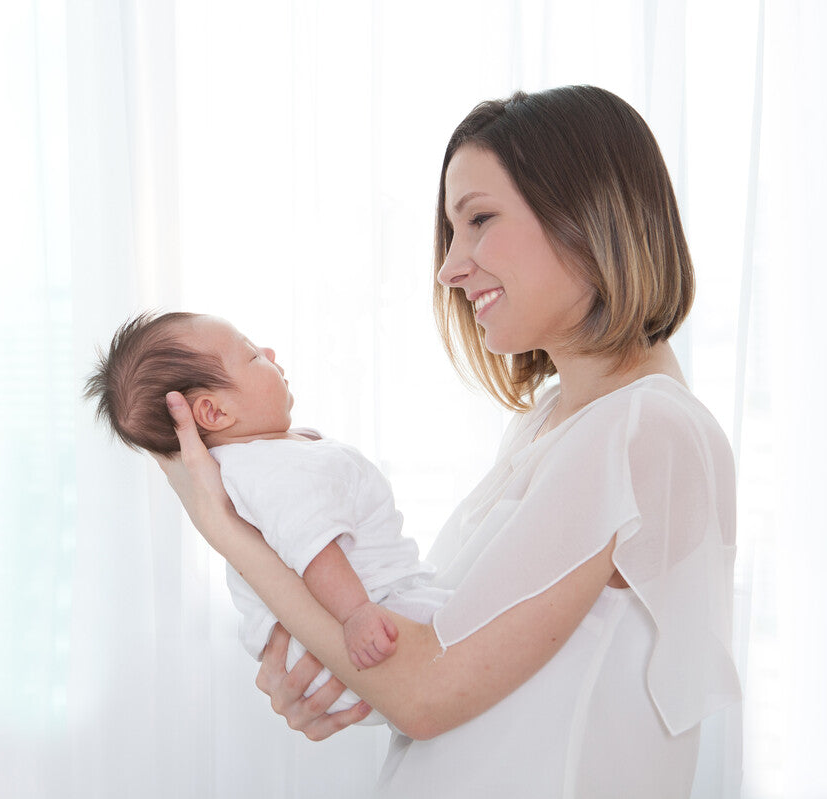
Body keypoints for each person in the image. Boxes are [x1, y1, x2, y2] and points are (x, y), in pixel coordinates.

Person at [154, 85, 741, 798]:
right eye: (451, 232)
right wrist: (327, 665)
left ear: (588, 214)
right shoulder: (552, 422)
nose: (450, 267)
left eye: (480, 219)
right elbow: (432, 668)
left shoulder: (643, 428)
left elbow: (424, 695)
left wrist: (226, 529)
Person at [85, 311, 448, 727]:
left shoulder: (264, 458)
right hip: (358, 625)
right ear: (214, 413)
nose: (270, 353)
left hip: (339, 634)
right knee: (458, 626)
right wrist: (357, 614)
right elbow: (315, 548)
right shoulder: (268, 470)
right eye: (254, 356)